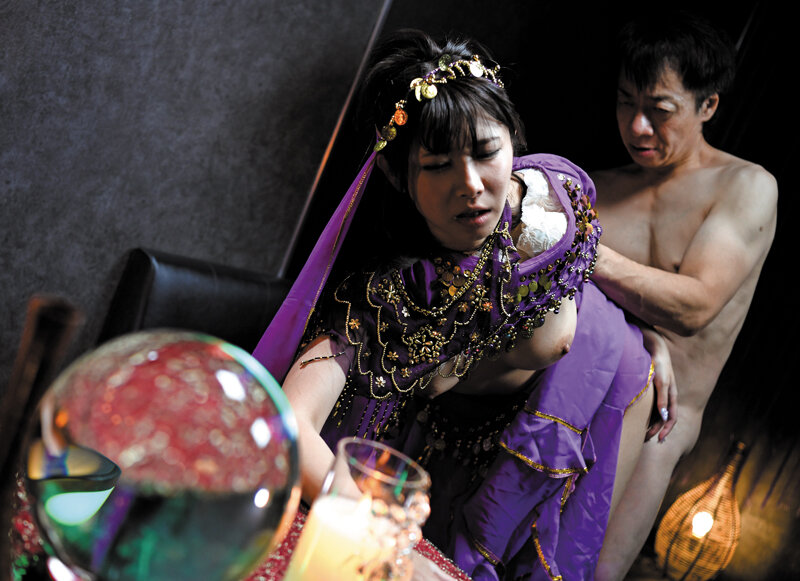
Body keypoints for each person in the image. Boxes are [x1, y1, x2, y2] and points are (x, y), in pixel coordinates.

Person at [253, 29, 668, 580]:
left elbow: (578, 269)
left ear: (513, 140)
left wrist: (646, 334)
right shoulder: (393, 295)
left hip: (597, 386)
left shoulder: (552, 198)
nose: (470, 184)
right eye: (437, 165)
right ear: (396, 175)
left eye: (486, 152)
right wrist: (373, 529)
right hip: (470, 450)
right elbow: (289, 420)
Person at [589, 12, 778, 580]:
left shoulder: (745, 186)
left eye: (660, 109)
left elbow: (694, 306)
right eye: (625, 102)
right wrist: (646, 336)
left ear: (708, 105)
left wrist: (582, 250)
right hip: (570, 391)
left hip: (658, 429)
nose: (638, 126)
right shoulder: (600, 188)